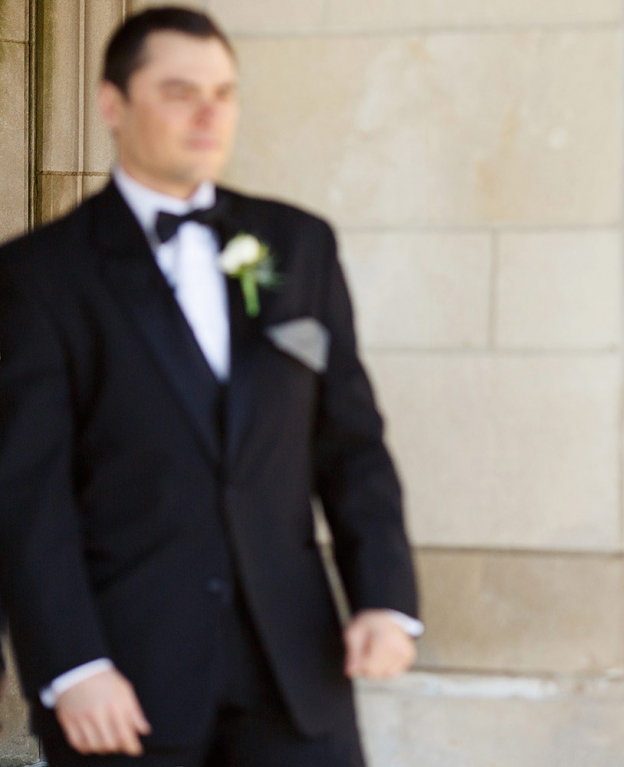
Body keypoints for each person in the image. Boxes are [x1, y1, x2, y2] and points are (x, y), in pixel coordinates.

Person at [0, 7, 421, 765]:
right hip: (123, 680)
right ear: (112, 104)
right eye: (179, 92)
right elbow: (26, 491)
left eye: (223, 93)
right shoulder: (39, 275)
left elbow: (351, 442)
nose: (208, 114)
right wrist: (73, 665)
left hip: (295, 669)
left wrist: (385, 598)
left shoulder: (300, 245)